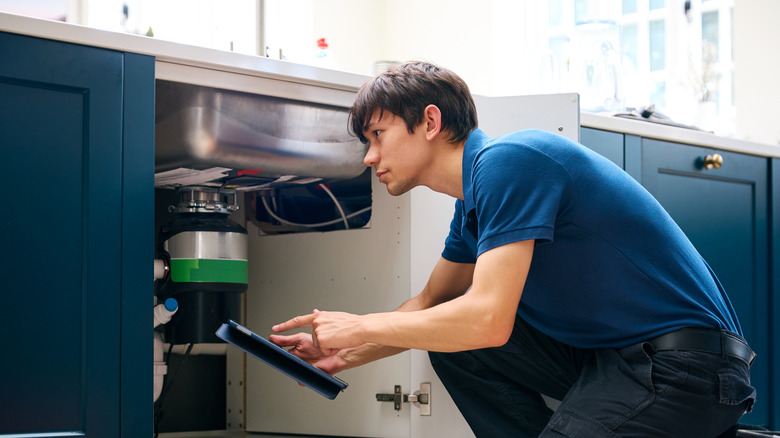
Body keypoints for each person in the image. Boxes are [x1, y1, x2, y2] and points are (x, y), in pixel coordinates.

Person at [269, 61, 755, 437]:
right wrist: (346, 349)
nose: (370, 156)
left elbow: (488, 318)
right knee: (453, 346)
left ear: (431, 122)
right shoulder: (475, 201)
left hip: (684, 370)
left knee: (470, 326)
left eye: (378, 135)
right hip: (616, 362)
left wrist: (361, 325)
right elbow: (430, 305)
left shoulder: (511, 162)